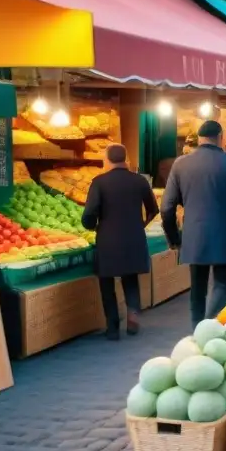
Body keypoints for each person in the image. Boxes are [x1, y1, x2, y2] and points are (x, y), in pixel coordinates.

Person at [161, 120, 226, 326]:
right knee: (222, 285)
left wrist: (174, 238)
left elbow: (166, 207)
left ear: (199, 138)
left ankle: (198, 328)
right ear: (220, 137)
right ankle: (208, 325)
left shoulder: (181, 163)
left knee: (197, 288)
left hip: (194, 235)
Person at [81, 144, 158, 340]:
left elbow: (90, 213)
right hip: (134, 236)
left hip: (109, 238)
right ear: (125, 158)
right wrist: (142, 223)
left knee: (107, 282)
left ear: (107, 159)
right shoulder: (139, 181)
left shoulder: (99, 182)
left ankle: (113, 327)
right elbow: (153, 209)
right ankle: (133, 313)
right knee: (130, 277)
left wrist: (90, 225)